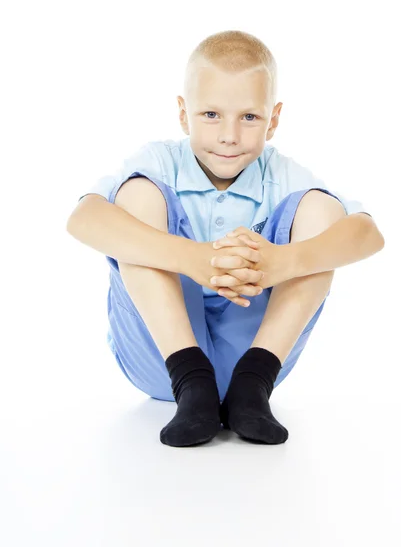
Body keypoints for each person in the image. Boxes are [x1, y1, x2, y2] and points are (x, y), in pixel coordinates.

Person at [66, 30, 383, 448]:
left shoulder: (282, 173)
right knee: (135, 196)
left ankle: (251, 386)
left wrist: (284, 262)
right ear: (184, 113)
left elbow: (368, 234)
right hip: (160, 360)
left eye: (249, 117)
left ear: (273, 118)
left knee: (323, 212)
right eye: (211, 115)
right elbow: (83, 219)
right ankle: (192, 381)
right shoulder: (161, 161)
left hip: (254, 363)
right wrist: (194, 258)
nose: (229, 135)